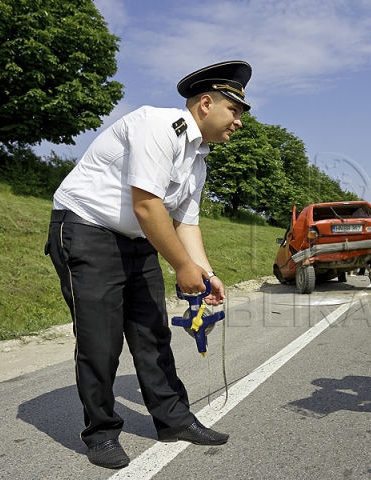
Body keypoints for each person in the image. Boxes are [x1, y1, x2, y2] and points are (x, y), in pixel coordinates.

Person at [45, 61, 252, 469]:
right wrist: (182, 267)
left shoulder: (198, 160)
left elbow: (185, 222)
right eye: (235, 111)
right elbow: (146, 203)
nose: (239, 122)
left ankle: (174, 419)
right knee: (100, 340)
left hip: (138, 239)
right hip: (87, 228)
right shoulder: (160, 127)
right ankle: (101, 433)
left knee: (152, 334)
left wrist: (205, 272)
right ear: (206, 104)